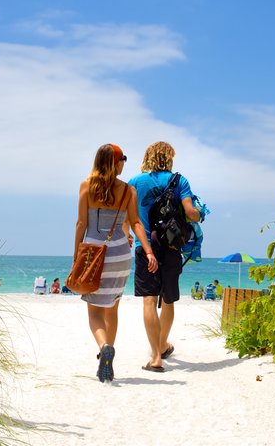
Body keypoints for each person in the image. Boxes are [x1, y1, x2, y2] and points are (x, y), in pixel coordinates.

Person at [75, 143, 155, 382]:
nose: (123, 165)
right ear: (114, 163)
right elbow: (136, 223)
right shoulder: (127, 190)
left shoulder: (86, 186)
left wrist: (76, 256)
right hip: (120, 253)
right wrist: (148, 251)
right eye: (122, 160)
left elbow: (81, 224)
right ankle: (108, 352)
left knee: (94, 313)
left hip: (93, 253)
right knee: (113, 309)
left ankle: (104, 349)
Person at [129, 141, 202, 372]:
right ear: (169, 158)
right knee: (168, 300)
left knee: (149, 300)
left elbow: (127, 217)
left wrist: (127, 236)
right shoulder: (180, 180)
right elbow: (191, 213)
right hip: (170, 247)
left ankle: (156, 357)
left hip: (146, 247)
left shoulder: (135, 182)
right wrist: (199, 214)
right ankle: (161, 345)